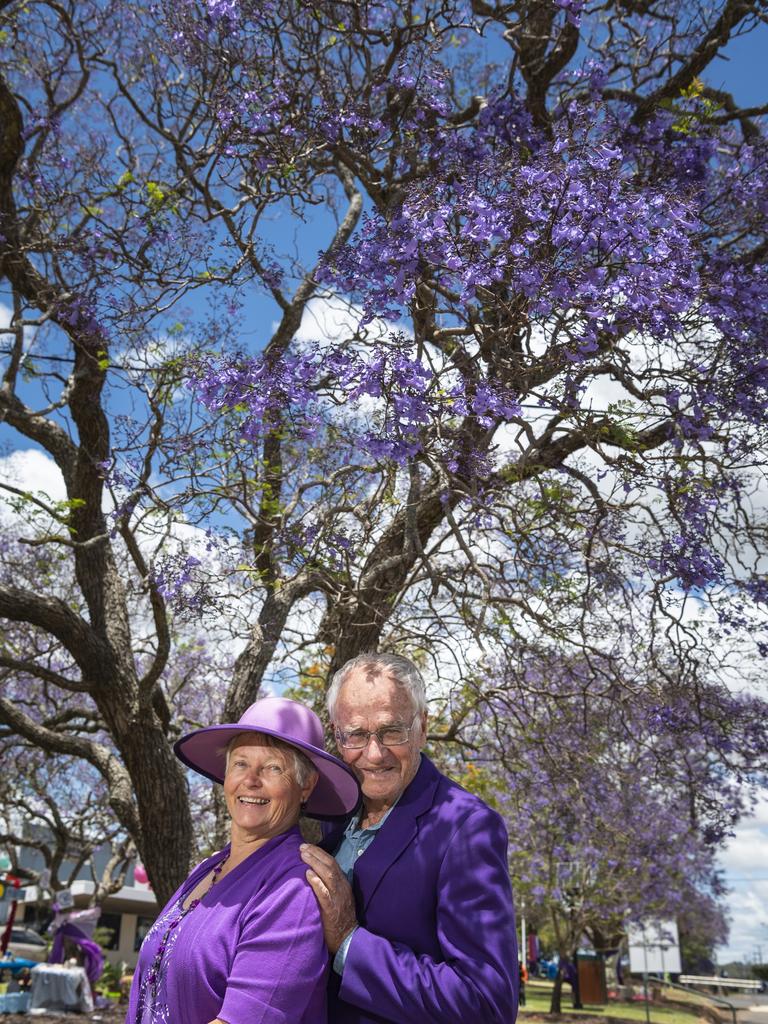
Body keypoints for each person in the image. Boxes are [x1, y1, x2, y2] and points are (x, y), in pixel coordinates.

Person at [300, 652, 518, 1024]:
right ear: (337, 735)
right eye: (355, 734)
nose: (374, 753)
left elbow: (487, 1004)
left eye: (391, 732)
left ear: (421, 728)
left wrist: (349, 941)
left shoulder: (466, 826)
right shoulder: (336, 816)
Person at [126, 696, 360, 1024]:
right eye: (240, 763)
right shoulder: (206, 869)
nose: (251, 780)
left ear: (305, 785)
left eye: (273, 767)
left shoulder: (292, 890)